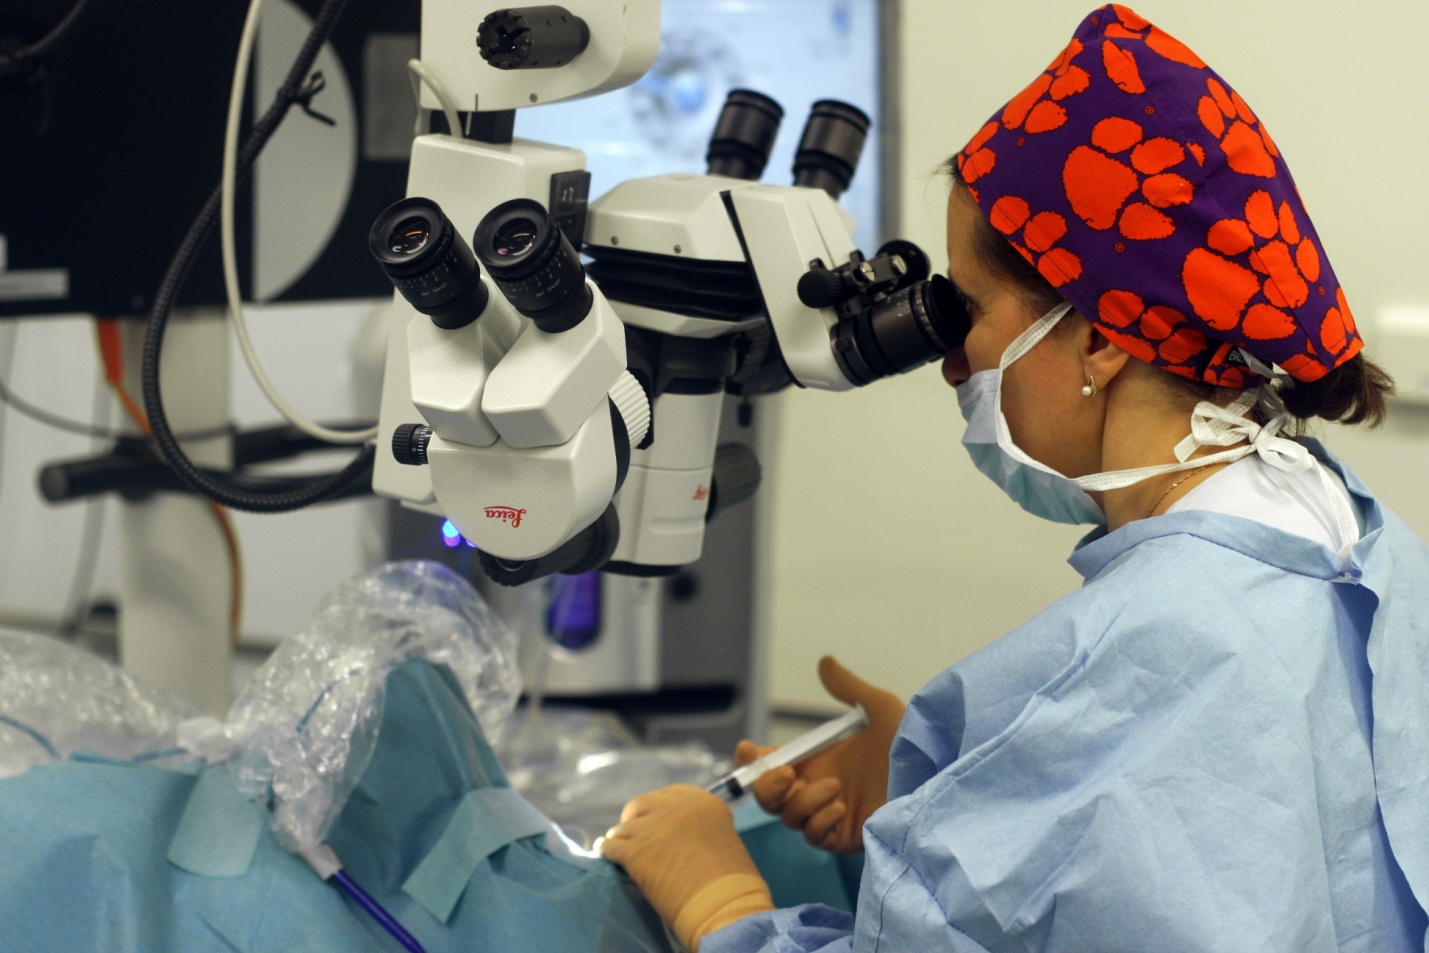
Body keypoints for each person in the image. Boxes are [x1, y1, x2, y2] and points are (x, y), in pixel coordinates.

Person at [599, 5, 1429, 950]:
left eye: (968, 307)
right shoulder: (1349, 534)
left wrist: (718, 902)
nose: (950, 360)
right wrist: (953, 782)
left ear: (1103, 337)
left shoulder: (1161, 649)